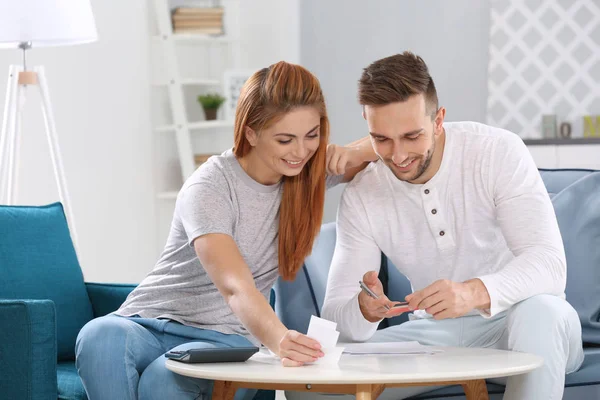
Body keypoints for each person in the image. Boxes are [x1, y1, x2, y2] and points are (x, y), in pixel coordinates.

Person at [75, 61, 377, 400]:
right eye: (284, 139)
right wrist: (280, 339)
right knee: (100, 334)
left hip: (225, 338)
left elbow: (390, 141)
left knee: (164, 379)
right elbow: (235, 286)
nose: (300, 151)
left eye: (312, 135)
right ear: (250, 132)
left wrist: (351, 150)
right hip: (146, 321)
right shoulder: (210, 186)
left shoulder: (307, 173)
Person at [290, 52, 584, 400]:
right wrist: (363, 310)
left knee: (540, 313)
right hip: (434, 334)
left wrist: (473, 292)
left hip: (521, 321)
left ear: (439, 120)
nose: (398, 156)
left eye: (412, 136)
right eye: (381, 139)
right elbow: (337, 315)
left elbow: (549, 264)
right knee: (308, 390)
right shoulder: (364, 192)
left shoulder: (496, 151)